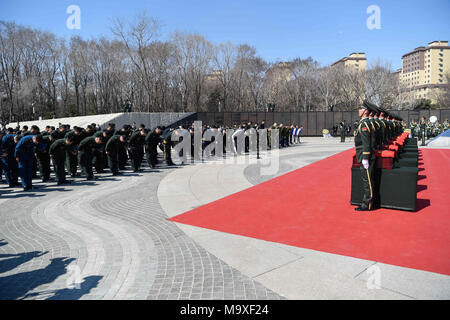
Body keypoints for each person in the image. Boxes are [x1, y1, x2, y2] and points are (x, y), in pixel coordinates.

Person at [354, 101, 376, 212]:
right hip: (365, 155)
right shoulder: (366, 123)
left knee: (367, 181)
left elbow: (366, 143)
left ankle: (367, 204)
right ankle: (368, 202)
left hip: (365, 155)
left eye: (361, 108)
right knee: (368, 180)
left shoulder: (364, 124)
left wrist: (365, 157)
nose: (359, 110)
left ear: (365, 111)